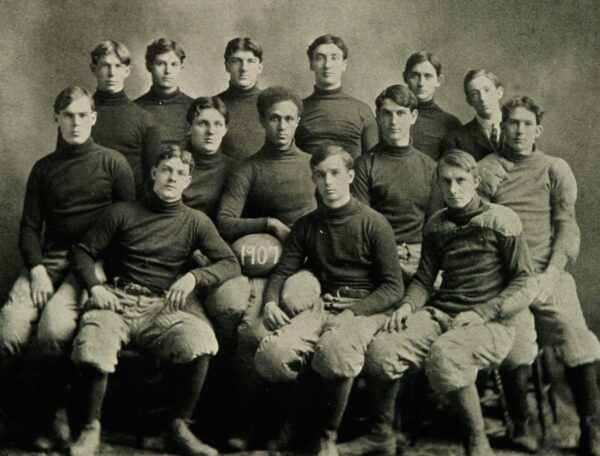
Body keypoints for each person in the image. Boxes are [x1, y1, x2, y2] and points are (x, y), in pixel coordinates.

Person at [353, 150, 537, 456]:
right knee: (381, 349)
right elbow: (425, 280)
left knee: (446, 354)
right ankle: (381, 434)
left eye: (461, 181)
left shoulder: (502, 220)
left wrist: (483, 312)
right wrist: (407, 306)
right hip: (442, 312)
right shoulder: (437, 225)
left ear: (476, 181)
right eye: (446, 182)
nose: (453, 189)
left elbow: (524, 280)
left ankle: (478, 444)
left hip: (491, 322)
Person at [68, 145, 241, 456]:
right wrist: (95, 287)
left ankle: (176, 427)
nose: (172, 177)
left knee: (200, 339)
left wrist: (193, 277)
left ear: (188, 180)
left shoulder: (196, 221)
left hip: (162, 308)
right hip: (117, 300)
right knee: (94, 341)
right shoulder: (122, 212)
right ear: (153, 174)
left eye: (179, 173)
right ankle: (90, 428)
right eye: (166, 170)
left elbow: (230, 262)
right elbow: (82, 251)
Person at [0, 86, 135, 450]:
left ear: (93, 118)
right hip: (51, 258)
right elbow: (30, 227)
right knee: (9, 331)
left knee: (53, 330)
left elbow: (128, 225)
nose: (75, 123)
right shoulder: (44, 168)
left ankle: (55, 414)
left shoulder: (113, 163)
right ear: (56, 118)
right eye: (67, 116)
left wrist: (102, 270)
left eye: (82, 115)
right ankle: (13, 418)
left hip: (92, 262)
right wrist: (37, 269)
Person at [254, 145, 405, 456]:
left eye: (335, 173)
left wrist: (354, 313)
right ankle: (295, 425)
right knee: (274, 355)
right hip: (323, 304)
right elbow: (283, 270)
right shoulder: (307, 224)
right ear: (314, 180)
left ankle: (326, 435)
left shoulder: (373, 223)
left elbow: (393, 287)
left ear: (349, 176)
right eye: (321, 175)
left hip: (366, 307)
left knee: (335, 352)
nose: (329, 182)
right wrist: (270, 302)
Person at [478, 96, 600, 455]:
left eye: (527, 124)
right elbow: (477, 228)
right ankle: (522, 424)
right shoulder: (487, 169)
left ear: (538, 130)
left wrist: (552, 273)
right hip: (504, 277)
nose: (519, 130)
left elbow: (566, 226)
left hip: (549, 273)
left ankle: (591, 429)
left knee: (576, 338)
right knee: (516, 346)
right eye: (512, 122)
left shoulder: (554, 168)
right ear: (502, 126)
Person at [352, 84, 443, 282]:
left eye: (401, 114)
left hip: (420, 255)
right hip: (380, 254)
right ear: (378, 117)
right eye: (387, 114)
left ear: (413, 116)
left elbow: (434, 224)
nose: (394, 121)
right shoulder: (364, 165)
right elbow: (363, 225)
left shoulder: (430, 167)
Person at [217, 86, 316, 243]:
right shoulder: (246, 169)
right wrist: (270, 224)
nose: (282, 127)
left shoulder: (314, 164)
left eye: (289, 119)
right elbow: (224, 222)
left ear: (297, 122)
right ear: (262, 120)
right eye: (274, 118)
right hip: (263, 254)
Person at [89, 40, 161, 195]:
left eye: (118, 66)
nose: (112, 73)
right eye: (105, 65)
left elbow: (153, 176)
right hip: (86, 205)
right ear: (93, 68)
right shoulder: (79, 116)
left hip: (130, 210)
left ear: (127, 71)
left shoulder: (144, 119)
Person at [295, 34, 378, 159]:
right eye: (320, 58)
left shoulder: (362, 110)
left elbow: (372, 163)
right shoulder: (297, 109)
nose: (327, 65)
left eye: (334, 58)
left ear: (344, 64)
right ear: (311, 64)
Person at [182, 96, 235, 221]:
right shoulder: (175, 165)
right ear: (189, 128)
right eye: (203, 123)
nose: (211, 131)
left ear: (225, 130)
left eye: (218, 124)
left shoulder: (235, 170)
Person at [135, 38, 194, 147]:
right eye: (160, 64)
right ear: (148, 66)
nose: (168, 71)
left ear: (181, 67)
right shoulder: (135, 108)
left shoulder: (194, 108)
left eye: (174, 64)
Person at [403, 51, 461, 160]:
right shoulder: (392, 115)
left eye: (428, 76)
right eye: (415, 75)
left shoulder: (450, 123)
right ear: (405, 77)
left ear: (438, 81)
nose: (421, 83)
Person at [216, 37, 265, 160]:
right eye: (237, 61)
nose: (244, 68)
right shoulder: (213, 105)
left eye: (251, 61)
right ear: (227, 66)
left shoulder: (272, 104)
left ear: (260, 67)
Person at [442, 69, 504, 161]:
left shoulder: (521, 128)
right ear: (469, 101)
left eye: (487, 90)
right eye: (475, 94)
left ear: (499, 92)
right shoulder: (456, 139)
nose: (482, 98)